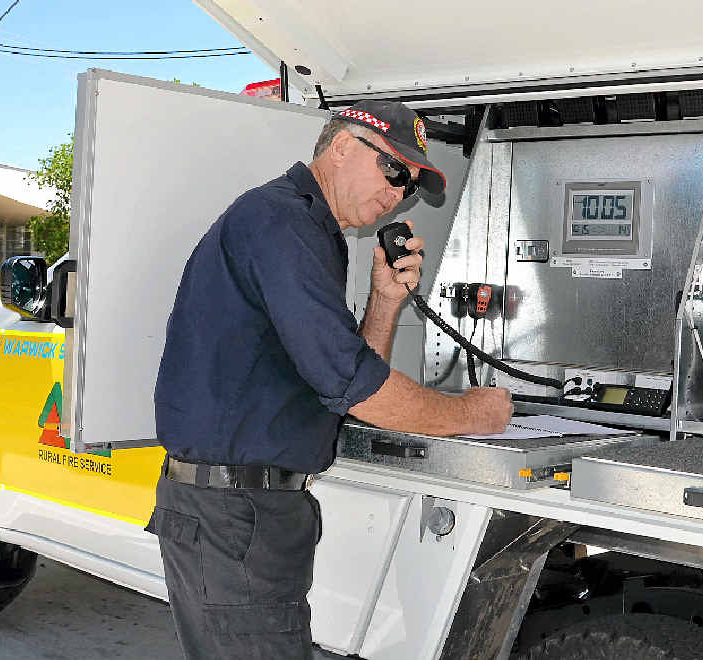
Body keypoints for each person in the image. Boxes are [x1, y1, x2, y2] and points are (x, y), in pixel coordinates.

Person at [148, 100, 513, 659]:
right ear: (342, 147)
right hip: (233, 518)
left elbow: (340, 383)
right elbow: (353, 383)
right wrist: (471, 414)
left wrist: (386, 302)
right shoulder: (283, 221)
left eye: (411, 186)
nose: (398, 193)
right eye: (394, 171)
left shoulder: (309, 228)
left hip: (250, 517)